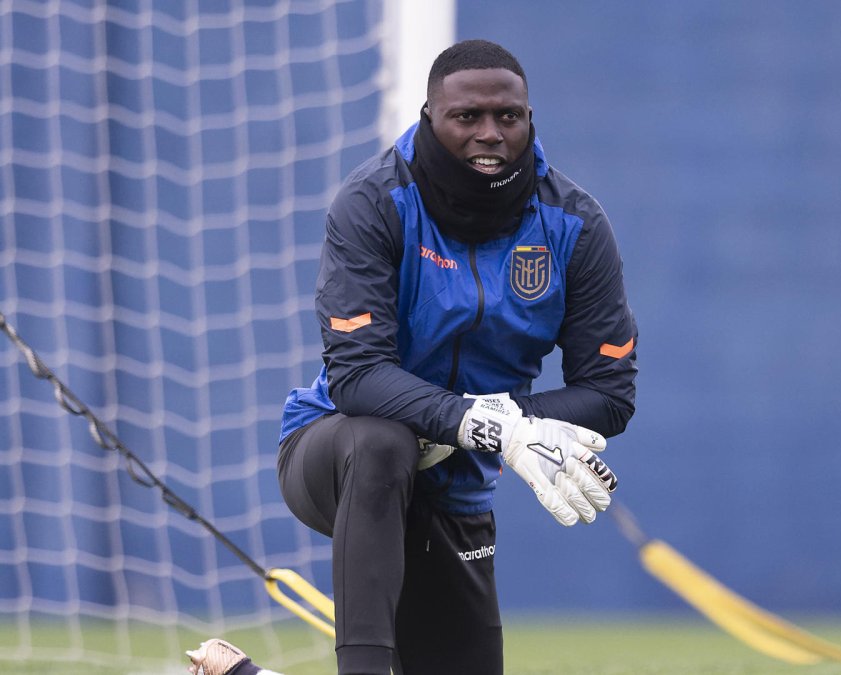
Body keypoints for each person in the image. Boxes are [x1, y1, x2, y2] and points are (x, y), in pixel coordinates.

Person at [190, 39, 638, 675]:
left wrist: (509, 424)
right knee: (384, 441)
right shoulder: (373, 203)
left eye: (507, 117)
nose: (490, 134)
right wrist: (492, 426)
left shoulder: (575, 224)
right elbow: (358, 376)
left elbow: (609, 393)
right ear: (431, 117)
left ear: (530, 119)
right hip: (338, 455)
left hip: (457, 490)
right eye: (467, 117)